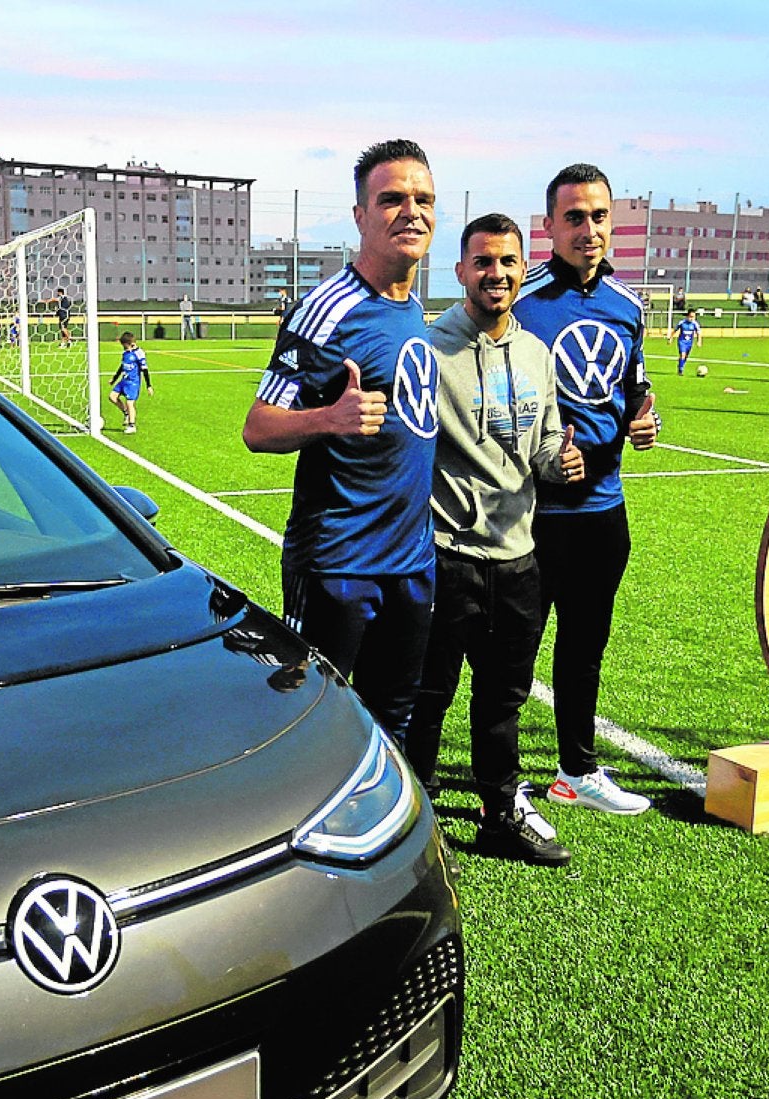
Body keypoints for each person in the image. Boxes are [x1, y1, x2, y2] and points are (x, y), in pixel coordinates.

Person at [242, 139, 440, 748]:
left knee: (393, 725)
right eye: (392, 200)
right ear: (360, 216)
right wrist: (329, 418)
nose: (411, 211)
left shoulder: (415, 308)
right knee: (312, 726)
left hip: (412, 563)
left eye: (424, 199)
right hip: (339, 564)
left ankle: (385, 841)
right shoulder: (325, 311)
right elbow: (258, 426)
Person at [406, 213, 584, 866]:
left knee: (503, 700)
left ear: (521, 268)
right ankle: (417, 822)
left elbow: (542, 444)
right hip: (448, 559)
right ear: (460, 272)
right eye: (483, 262)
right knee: (430, 700)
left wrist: (558, 462)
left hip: (519, 563)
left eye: (508, 262)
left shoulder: (537, 354)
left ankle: (499, 812)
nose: (497, 273)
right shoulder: (429, 349)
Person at [512, 163, 659, 817]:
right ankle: (503, 776)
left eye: (599, 216)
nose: (589, 229)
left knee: (584, 646)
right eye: (574, 217)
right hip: (530, 515)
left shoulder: (628, 307)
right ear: (549, 226)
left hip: (604, 512)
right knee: (511, 652)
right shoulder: (518, 299)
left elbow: (633, 388)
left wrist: (644, 417)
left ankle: (576, 771)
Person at [107, 330, 152, 433]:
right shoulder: (125, 353)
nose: (123, 348)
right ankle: (126, 414)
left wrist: (148, 385)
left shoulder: (139, 354)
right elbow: (122, 367)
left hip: (133, 383)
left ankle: (132, 426)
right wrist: (114, 379)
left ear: (131, 344)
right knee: (112, 397)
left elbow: (145, 370)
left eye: (125, 346)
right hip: (124, 381)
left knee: (130, 403)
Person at [675, 308, 702, 374]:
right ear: (687, 316)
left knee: (686, 356)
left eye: (694, 317)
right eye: (691, 316)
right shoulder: (682, 322)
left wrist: (699, 341)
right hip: (682, 341)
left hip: (689, 343)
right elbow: (675, 330)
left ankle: (680, 365)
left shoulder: (695, 324)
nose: (692, 318)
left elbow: (698, 333)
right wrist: (670, 338)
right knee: (682, 355)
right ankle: (681, 369)